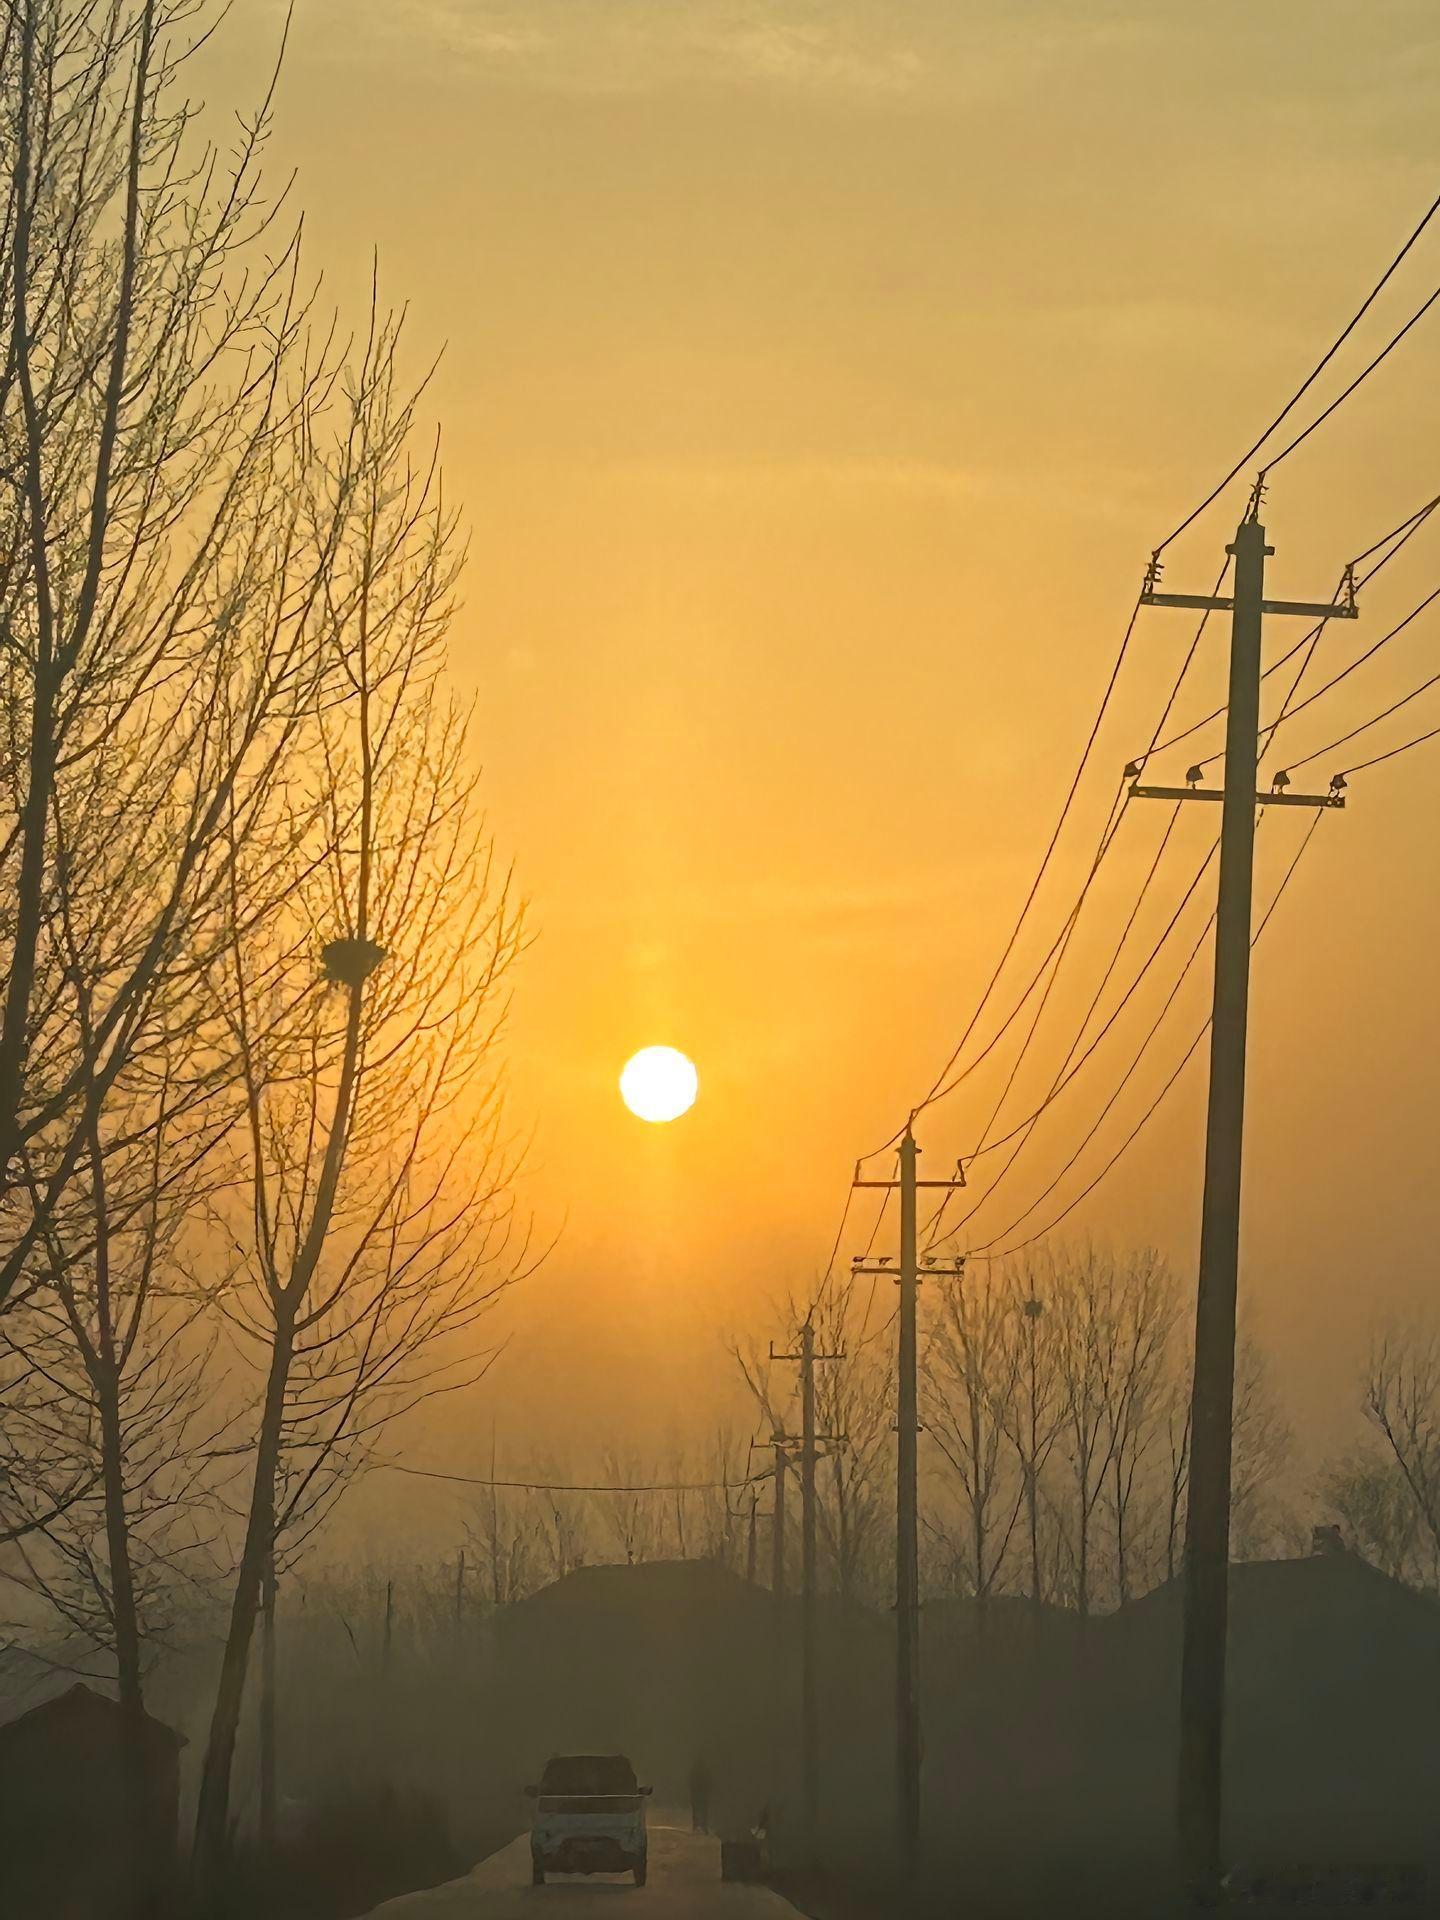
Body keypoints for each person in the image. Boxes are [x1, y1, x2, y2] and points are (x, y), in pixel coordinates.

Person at [688, 1755, 713, 1834]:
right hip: (702, 1793)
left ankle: (696, 1825)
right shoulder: (705, 1770)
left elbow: (691, 1781)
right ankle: (703, 1826)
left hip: (697, 1792)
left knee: (696, 1809)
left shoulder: (695, 1769)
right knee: (703, 1810)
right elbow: (709, 1781)